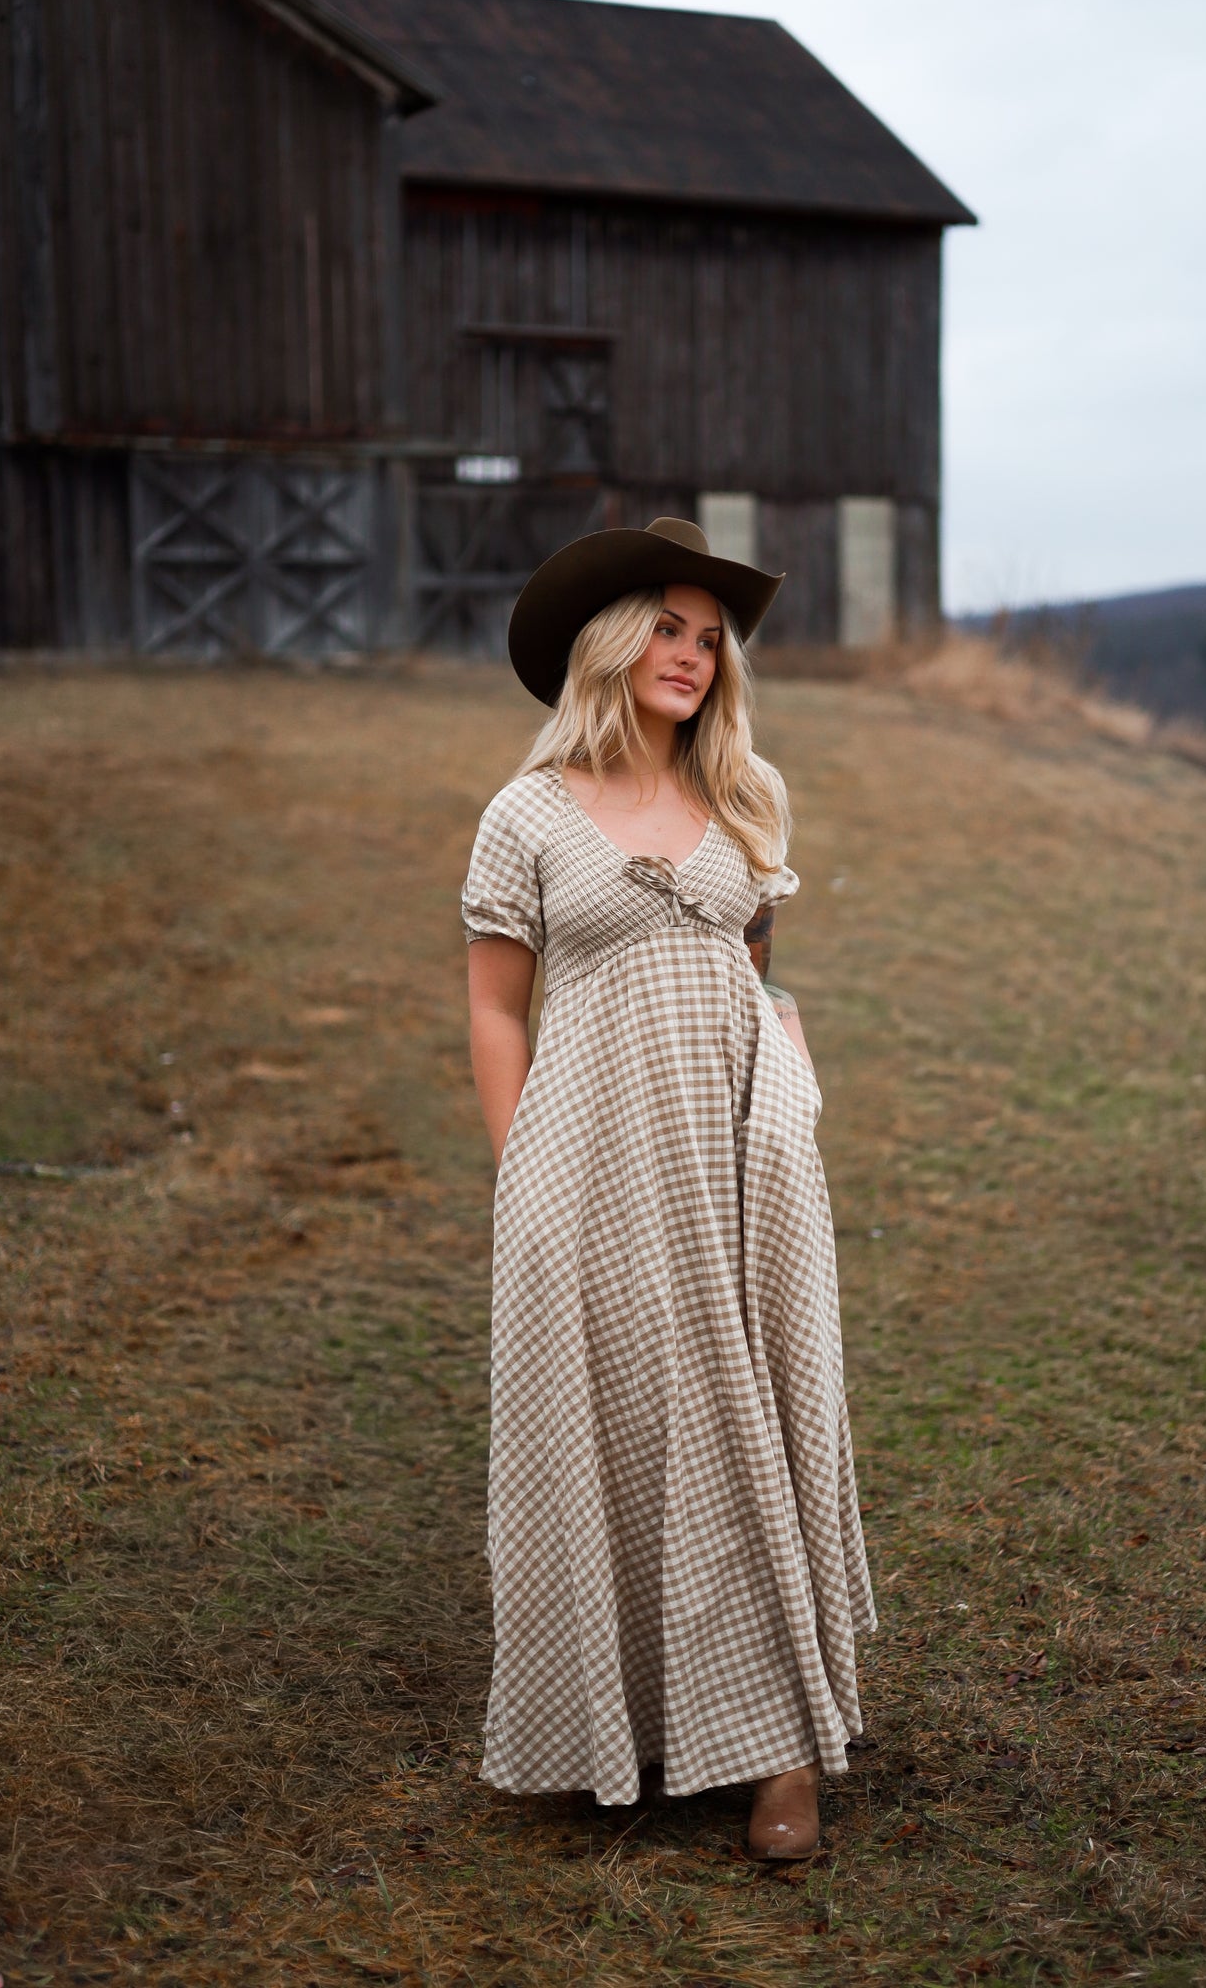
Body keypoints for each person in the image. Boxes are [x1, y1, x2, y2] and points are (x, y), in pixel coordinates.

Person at [462, 516, 874, 1859]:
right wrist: (519, 1179)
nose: (691, 654)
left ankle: (778, 1749)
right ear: (609, 639)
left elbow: (754, 972)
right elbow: (493, 1012)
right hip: (585, 1160)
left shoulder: (746, 797)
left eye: (710, 637)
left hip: (742, 1158)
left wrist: (790, 1061)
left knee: (751, 1418)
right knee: (629, 1428)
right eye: (668, 625)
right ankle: (636, 1718)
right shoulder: (525, 816)